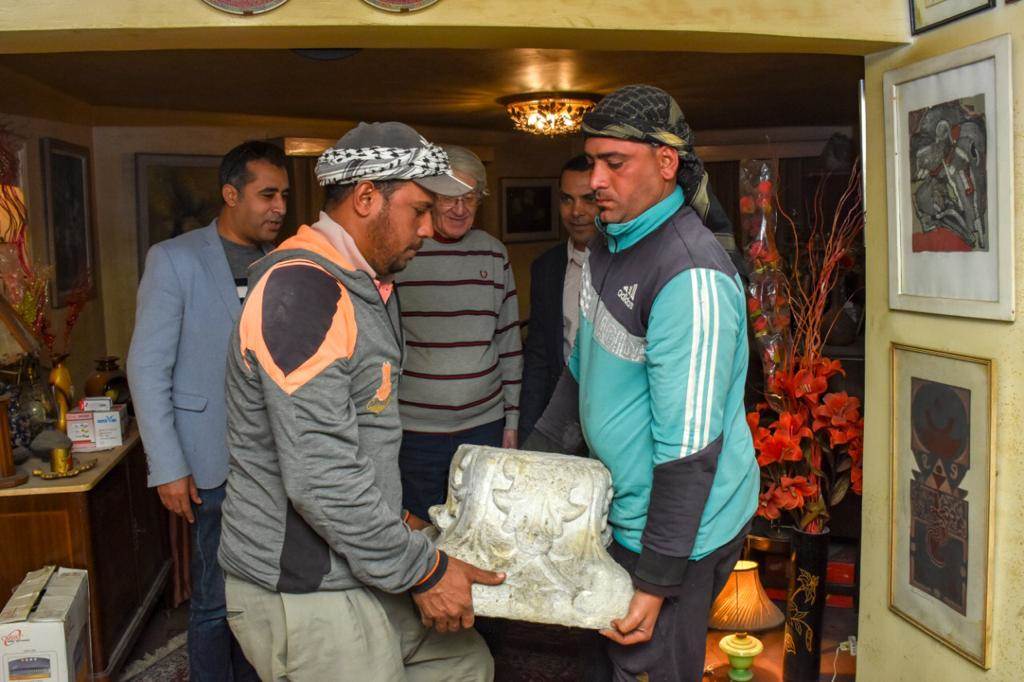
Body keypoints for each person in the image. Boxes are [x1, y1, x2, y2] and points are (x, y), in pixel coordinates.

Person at [218, 122, 503, 681]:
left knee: (464, 663)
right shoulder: (304, 290)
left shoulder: (362, 284)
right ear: (367, 197)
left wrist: (406, 527)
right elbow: (321, 476)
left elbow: (359, 433)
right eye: (420, 210)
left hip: (355, 563)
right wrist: (424, 572)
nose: (429, 229)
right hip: (305, 583)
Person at [525, 85, 759, 682]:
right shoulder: (610, 242)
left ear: (666, 162)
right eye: (591, 162)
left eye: (615, 163)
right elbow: (580, 376)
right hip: (621, 512)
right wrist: (530, 474)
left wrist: (655, 583)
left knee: (646, 667)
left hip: (679, 532)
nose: (596, 181)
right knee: (602, 664)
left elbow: (689, 452)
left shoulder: (690, 274)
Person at [127, 140, 288, 682]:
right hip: (208, 463)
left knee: (268, 598)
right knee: (215, 602)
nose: (280, 208)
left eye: (283, 196)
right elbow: (147, 368)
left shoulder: (285, 261)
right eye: (267, 195)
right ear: (231, 194)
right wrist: (168, 466)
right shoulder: (174, 259)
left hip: (277, 463)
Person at [394, 145, 523, 523]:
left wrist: (512, 422)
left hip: (485, 428)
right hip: (415, 433)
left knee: (484, 529)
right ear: (429, 198)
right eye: (449, 197)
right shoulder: (402, 256)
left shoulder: (494, 254)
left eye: (470, 198)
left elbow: (509, 344)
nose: (460, 209)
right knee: (421, 533)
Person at [519, 154, 599, 441]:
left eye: (588, 199)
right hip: (561, 421)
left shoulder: (629, 262)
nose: (576, 211)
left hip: (615, 422)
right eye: (567, 199)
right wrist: (527, 435)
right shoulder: (546, 267)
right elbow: (538, 357)